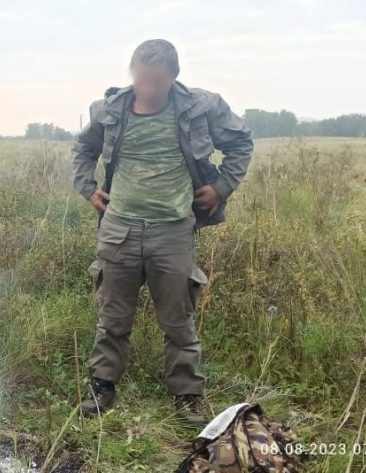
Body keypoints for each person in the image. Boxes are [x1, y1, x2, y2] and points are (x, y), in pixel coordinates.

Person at [72, 39, 253, 427]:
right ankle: (102, 386)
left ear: (173, 76)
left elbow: (241, 141)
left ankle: (187, 396)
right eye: (141, 80)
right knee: (112, 316)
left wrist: (221, 187)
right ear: (132, 73)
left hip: (172, 231)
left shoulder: (199, 108)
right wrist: (87, 188)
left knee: (178, 319)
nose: (148, 89)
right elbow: (83, 148)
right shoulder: (110, 110)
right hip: (118, 229)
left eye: (157, 81)